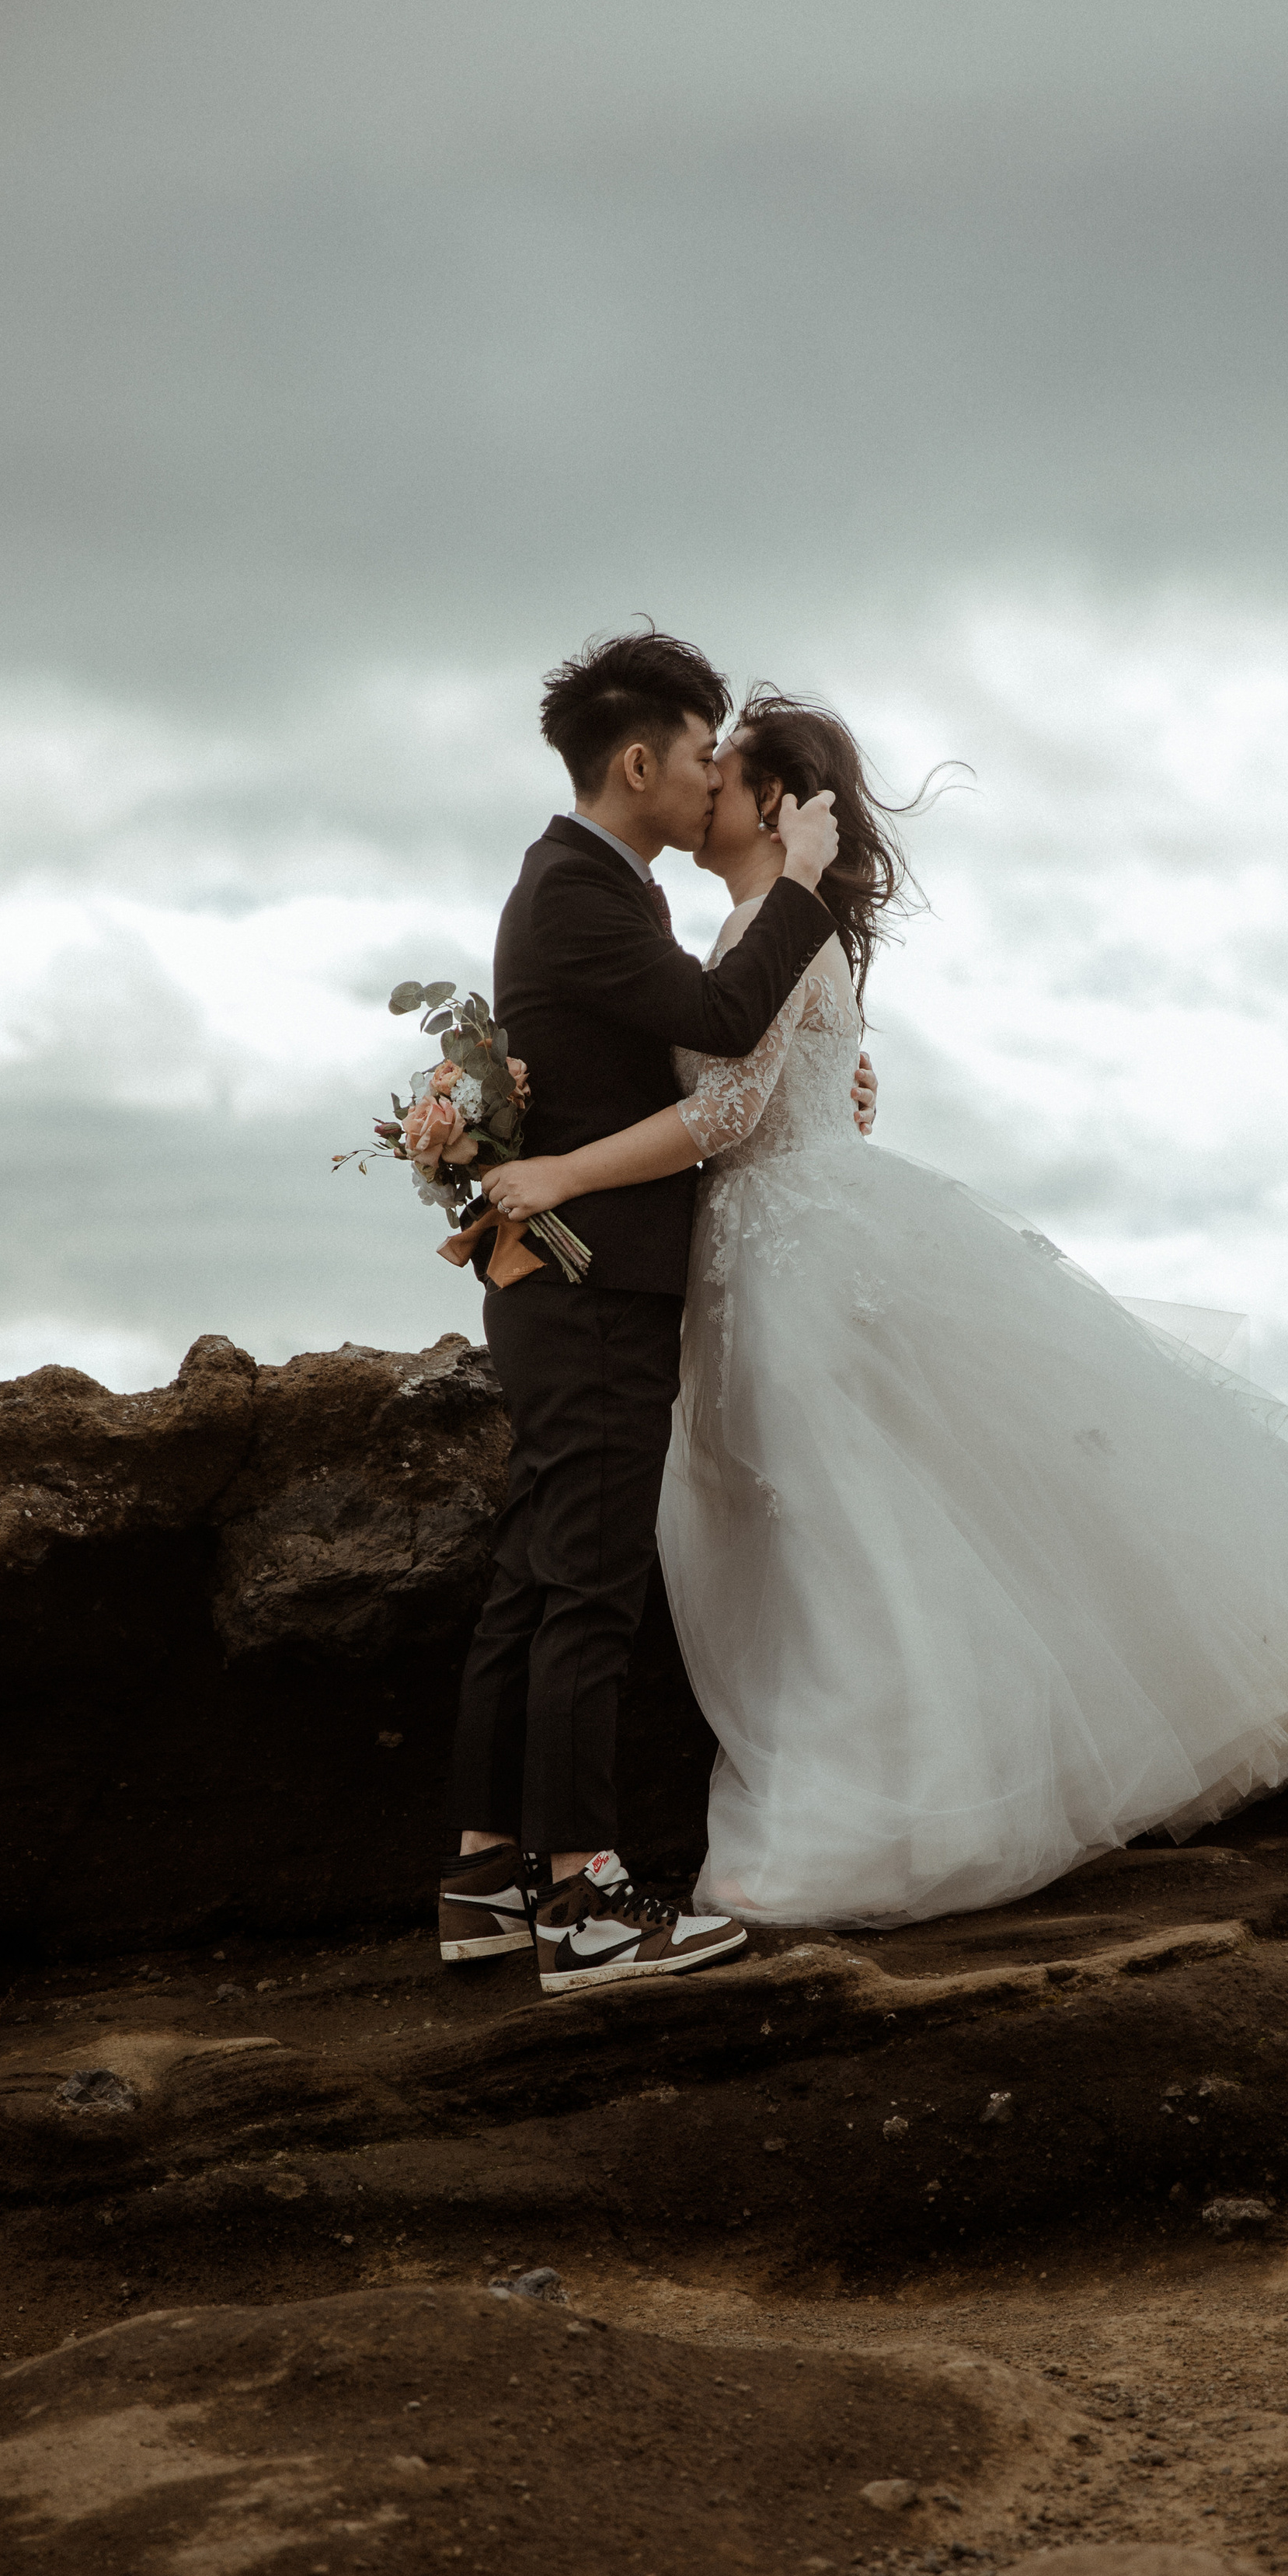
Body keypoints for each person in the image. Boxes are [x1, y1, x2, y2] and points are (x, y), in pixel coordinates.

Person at [481, 690, 1288, 1933]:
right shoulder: (738, 926)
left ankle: (878, 1815)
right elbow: (732, 1059)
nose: (708, 787)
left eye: (727, 770)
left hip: (792, 1257)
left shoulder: (764, 925)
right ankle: (852, 1799)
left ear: (777, 807)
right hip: (766, 1243)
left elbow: (732, 1111)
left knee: (835, 1529)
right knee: (806, 1529)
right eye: (702, 761)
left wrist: (567, 1168)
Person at [430, 629, 875, 1993]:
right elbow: (725, 1024)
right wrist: (804, 885)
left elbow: (715, 1059)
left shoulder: (594, 892)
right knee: (589, 1587)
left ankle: (486, 1879)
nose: (705, 777)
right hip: (592, 1279)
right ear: (640, 761)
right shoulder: (581, 892)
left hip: (580, 1273)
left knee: (538, 1577)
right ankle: (585, 1903)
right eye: (697, 754)